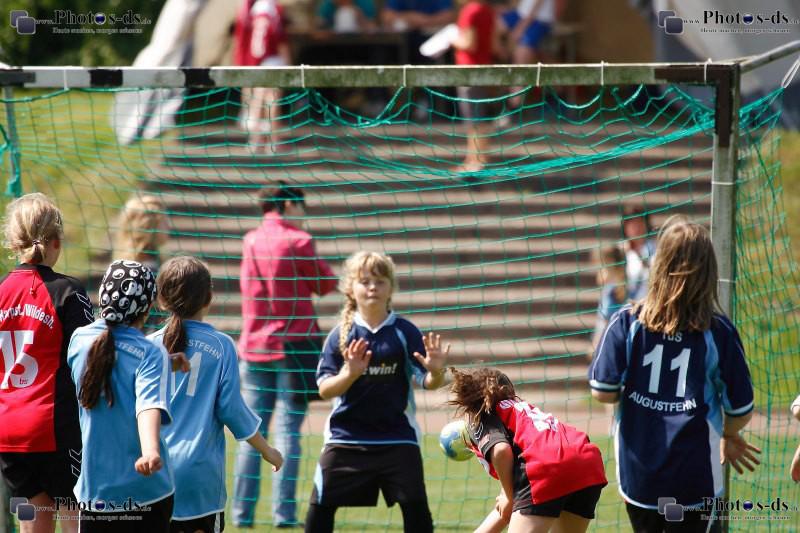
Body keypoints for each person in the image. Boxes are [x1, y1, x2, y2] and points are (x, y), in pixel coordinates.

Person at [588, 217, 761, 532]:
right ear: (709, 272)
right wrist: (729, 434)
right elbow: (741, 409)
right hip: (695, 477)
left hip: (640, 476)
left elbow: (602, 389)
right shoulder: (718, 331)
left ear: (658, 266)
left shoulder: (626, 322)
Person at [304, 250, 450, 533]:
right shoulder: (339, 335)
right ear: (351, 288)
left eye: (380, 281)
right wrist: (350, 373)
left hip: (397, 438)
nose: (373, 287)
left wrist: (436, 371)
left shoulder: (405, 331)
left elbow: (428, 382)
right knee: (319, 510)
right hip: (345, 439)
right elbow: (324, 390)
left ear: (391, 288)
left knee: (417, 512)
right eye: (365, 281)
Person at [148, 256, 283, 533]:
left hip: (152, 472)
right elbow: (232, 410)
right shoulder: (222, 346)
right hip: (200, 478)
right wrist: (267, 451)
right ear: (209, 297)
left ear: (161, 300)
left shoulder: (147, 346)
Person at [234, 182, 336, 528]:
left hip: (254, 345)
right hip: (295, 346)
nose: (303, 213)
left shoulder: (250, 240)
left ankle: (242, 513)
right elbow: (325, 284)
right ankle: (284, 514)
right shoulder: (299, 240)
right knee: (289, 430)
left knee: (251, 432)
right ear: (289, 204)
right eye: (301, 205)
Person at [0, 193, 94, 533]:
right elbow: (91, 358)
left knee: (32, 520)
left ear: (14, 242)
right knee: (73, 515)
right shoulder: (68, 292)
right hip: (56, 429)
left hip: (9, 432)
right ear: (56, 241)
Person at [68, 260, 179, 531]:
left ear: (103, 296)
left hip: (96, 494)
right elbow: (148, 405)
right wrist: (150, 450)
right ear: (148, 307)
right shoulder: (151, 352)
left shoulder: (79, 340)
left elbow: (113, 366)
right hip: (147, 493)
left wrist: (165, 364)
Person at [448, 367, 607, 533]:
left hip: (548, 465)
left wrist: (509, 497)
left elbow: (501, 451)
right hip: (587, 463)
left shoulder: (482, 415)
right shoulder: (522, 412)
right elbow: (508, 508)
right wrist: (508, 497)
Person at [451, 0, 504, 173]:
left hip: (469, 72)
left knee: (474, 120)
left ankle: (475, 162)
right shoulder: (488, 11)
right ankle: (476, 159)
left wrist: (452, 39)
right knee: (480, 118)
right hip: (485, 70)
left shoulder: (469, 11)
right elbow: (495, 46)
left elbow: (469, 44)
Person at [234, 0, 292, 154]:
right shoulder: (270, 8)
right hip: (271, 59)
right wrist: (288, 62)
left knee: (258, 98)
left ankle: (256, 141)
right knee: (272, 100)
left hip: (258, 60)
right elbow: (278, 37)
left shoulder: (253, 8)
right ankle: (272, 142)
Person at [113, 194, 170, 273]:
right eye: (164, 221)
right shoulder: (145, 270)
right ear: (148, 226)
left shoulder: (119, 266)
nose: (168, 226)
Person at [589, 244, 629, 354]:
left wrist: (596, 342)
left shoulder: (611, 292)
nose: (598, 273)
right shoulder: (623, 287)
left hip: (607, 343)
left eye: (601, 268)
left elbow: (605, 321)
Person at [621, 202, 657, 300]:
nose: (636, 228)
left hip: (649, 299)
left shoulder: (654, 248)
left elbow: (654, 274)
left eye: (639, 223)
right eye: (632, 224)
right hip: (626, 303)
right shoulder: (620, 250)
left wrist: (638, 255)